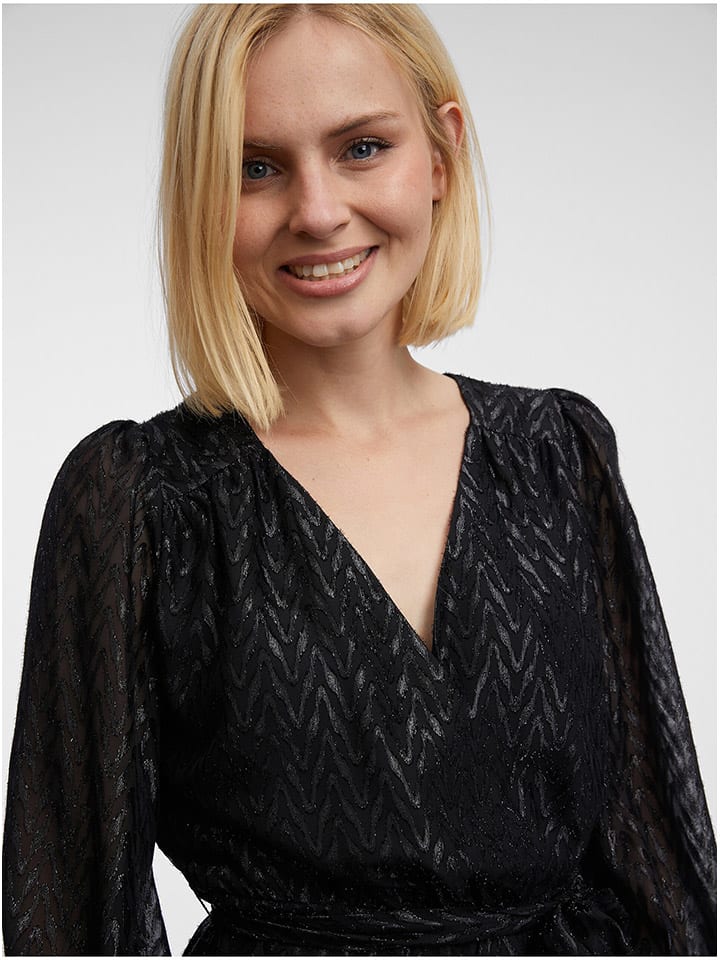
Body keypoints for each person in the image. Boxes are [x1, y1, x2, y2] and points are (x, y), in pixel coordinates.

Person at [2, 3, 715, 955]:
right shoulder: (141, 501)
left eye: (363, 148)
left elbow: (660, 868)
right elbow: (69, 910)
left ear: (442, 154)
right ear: (199, 194)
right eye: (255, 168)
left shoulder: (559, 453)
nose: (317, 211)